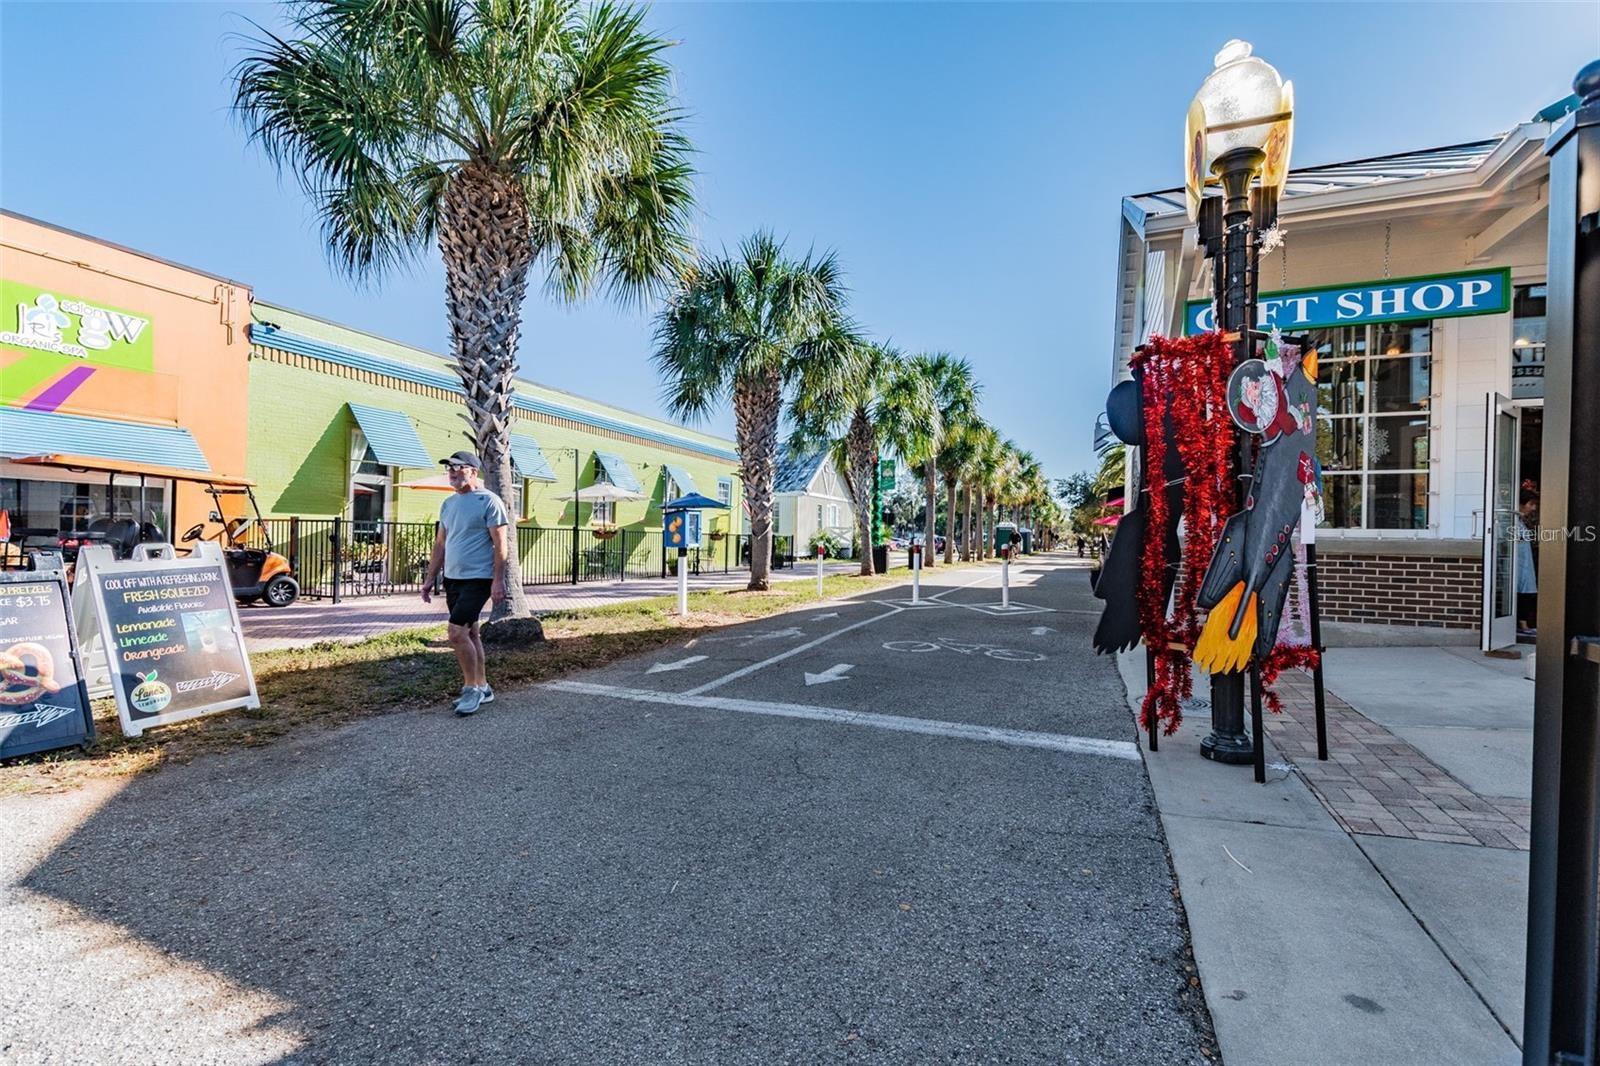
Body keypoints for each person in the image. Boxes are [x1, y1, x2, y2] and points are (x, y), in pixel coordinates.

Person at [421, 451, 511, 715]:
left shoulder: (489, 501)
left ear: (472, 471)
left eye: (457, 468)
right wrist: (429, 580)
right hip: (453, 579)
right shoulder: (448, 504)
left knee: (456, 633)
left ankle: (470, 688)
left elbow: (500, 545)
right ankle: (483, 686)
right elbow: (440, 544)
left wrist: (498, 581)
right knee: (471, 633)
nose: (451, 472)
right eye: (449, 468)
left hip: (479, 578)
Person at [1515, 489, 1539, 639]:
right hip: (1518, 564)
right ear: (1521, 504)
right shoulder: (1513, 521)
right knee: (1523, 593)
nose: (1534, 508)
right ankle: (1522, 625)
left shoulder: (1521, 521)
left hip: (1525, 562)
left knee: (1527, 592)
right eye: (1531, 504)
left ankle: (1523, 624)